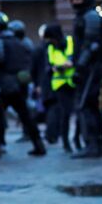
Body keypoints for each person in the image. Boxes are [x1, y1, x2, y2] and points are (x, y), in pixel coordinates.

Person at [0, 13, 46, 156]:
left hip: (4, 86)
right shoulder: (19, 41)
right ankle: (39, 145)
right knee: (26, 116)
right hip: (19, 84)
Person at [63, 0, 102, 159]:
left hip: (91, 69)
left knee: (86, 106)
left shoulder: (90, 17)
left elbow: (92, 45)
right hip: (88, 68)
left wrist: (80, 66)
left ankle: (94, 145)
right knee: (88, 106)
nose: (74, 2)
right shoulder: (83, 17)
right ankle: (96, 144)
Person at [34, 23, 76, 152]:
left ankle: (77, 139)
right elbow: (48, 67)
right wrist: (57, 68)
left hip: (74, 82)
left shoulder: (70, 42)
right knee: (65, 114)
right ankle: (66, 142)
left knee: (77, 112)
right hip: (59, 85)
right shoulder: (49, 48)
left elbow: (77, 56)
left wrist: (71, 63)